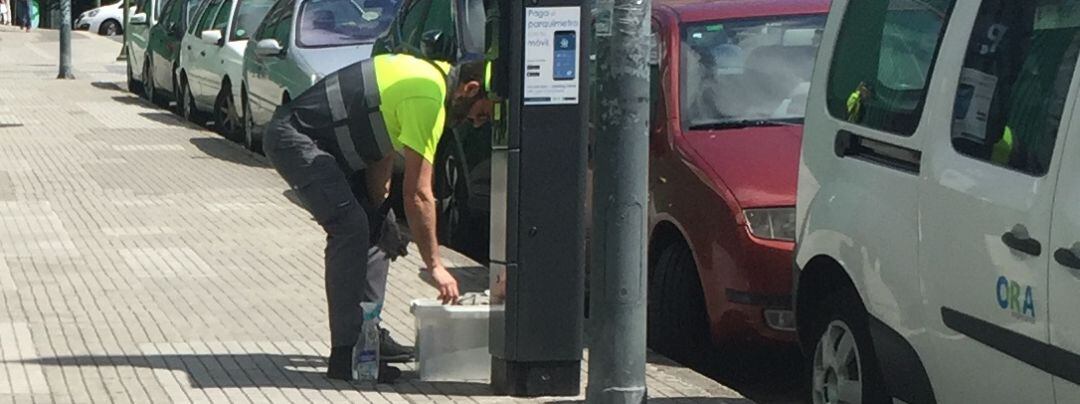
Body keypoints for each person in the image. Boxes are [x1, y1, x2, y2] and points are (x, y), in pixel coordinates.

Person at [262, 53, 494, 382]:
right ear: (470, 90)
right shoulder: (427, 95)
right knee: (351, 229)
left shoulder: (425, 76)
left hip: (325, 147)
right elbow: (419, 194)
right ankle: (346, 355)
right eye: (481, 113)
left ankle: (368, 338)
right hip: (295, 140)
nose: (477, 122)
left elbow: (380, 139)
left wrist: (379, 206)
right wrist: (436, 266)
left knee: (378, 227)